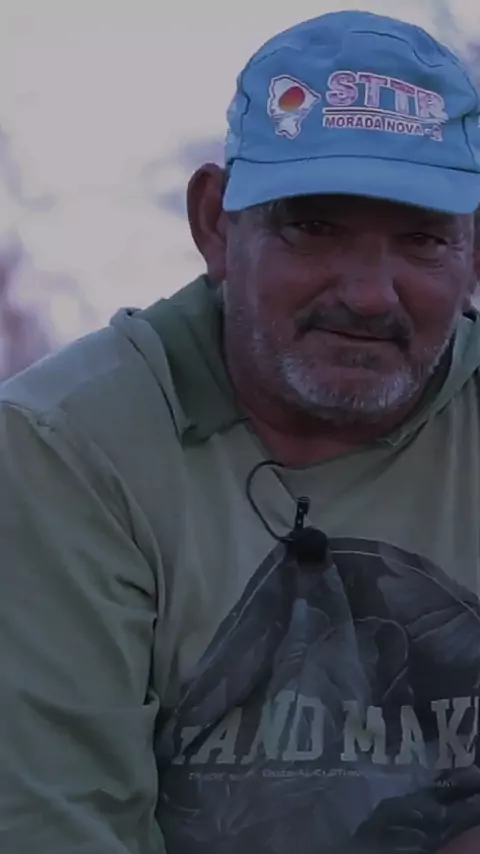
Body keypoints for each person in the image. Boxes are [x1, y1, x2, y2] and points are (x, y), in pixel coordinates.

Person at [2, 10, 480, 854]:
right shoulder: (65, 449)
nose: (370, 293)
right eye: (313, 227)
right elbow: (57, 825)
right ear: (216, 225)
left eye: (422, 239)